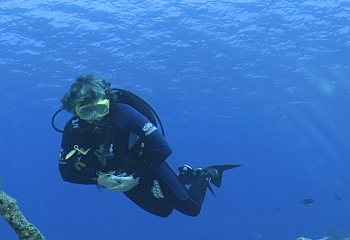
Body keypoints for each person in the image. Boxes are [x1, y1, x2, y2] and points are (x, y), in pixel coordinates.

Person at [56, 74, 239, 217]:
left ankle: (206, 173)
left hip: (147, 163)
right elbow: (66, 171)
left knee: (191, 209)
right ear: (74, 111)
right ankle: (185, 176)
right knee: (163, 211)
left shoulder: (123, 112)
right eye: (87, 111)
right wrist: (98, 179)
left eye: (100, 108)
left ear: (108, 102)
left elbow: (162, 147)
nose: (96, 116)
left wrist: (136, 176)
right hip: (121, 174)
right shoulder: (73, 129)